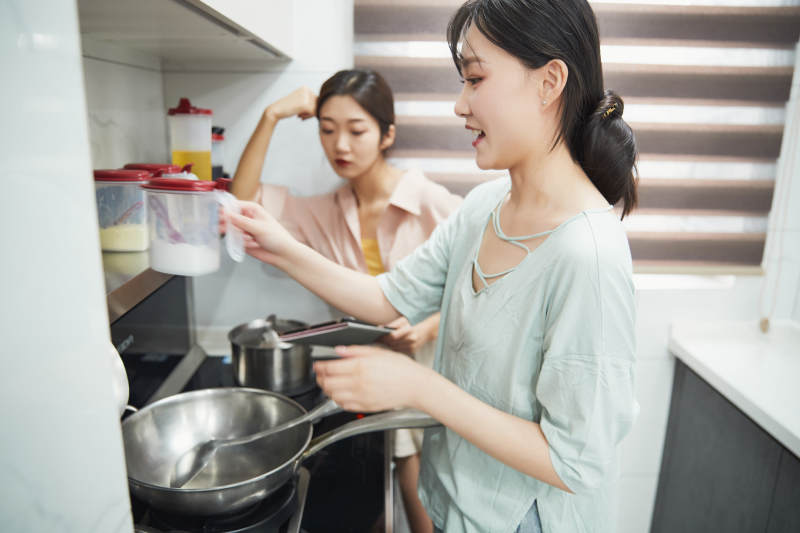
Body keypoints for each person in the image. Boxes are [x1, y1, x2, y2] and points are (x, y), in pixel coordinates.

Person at [225, 0, 639, 531]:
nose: (460, 105)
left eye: (475, 78)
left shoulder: (590, 255)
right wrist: (279, 246)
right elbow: (387, 297)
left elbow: (573, 460)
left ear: (549, 82)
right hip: (452, 503)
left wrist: (417, 387)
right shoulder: (483, 207)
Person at [231, 68, 461, 533]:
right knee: (382, 486)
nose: (340, 146)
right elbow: (240, 205)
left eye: (356, 131)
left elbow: (483, 282)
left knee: (416, 474)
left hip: (434, 372)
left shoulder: (434, 203)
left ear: (386, 134)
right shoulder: (324, 211)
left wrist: (428, 326)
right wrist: (271, 114)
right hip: (365, 377)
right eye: (327, 129)